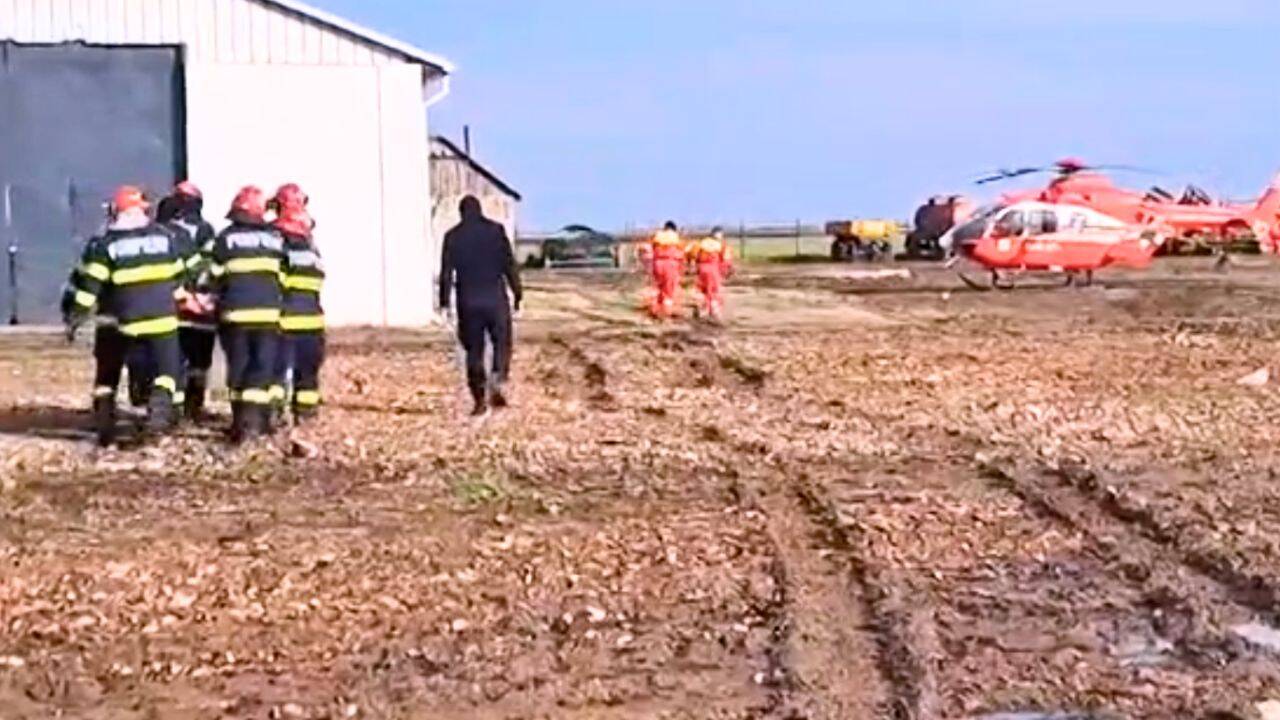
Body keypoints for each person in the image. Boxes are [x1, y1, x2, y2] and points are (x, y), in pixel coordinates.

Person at [63, 186, 185, 444]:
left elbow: (89, 288)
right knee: (167, 371)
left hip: (125, 321)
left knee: (109, 372)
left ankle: (106, 421)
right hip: (163, 320)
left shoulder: (105, 244)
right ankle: (157, 417)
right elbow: (178, 277)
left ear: (115, 212)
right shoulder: (165, 238)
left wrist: (75, 318)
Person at [207, 186, 285, 441]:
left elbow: (214, 277)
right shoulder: (274, 238)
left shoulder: (225, 238)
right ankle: (259, 421)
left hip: (235, 315)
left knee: (239, 366)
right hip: (268, 315)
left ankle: (241, 422)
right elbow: (283, 277)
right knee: (262, 366)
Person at [439, 195, 523, 416]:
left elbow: (446, 272)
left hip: (468, 302)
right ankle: (498, 375)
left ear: (461, 213)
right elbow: (509, 264)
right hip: (496, 299)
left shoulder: (453, 237)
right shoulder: (496, 231)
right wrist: (518, 293)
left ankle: (479, 399)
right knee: (502, 342)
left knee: (473, 350)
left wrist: (444, 303)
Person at [157, 181, 218, 420]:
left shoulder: (160, 231)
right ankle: (193, 408)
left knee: (175, 361)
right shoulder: (204, 230)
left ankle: (175, 410)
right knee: (197, 361)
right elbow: (208, 267)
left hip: (175, 303)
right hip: (199, 305)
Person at [272, 186, 326, 422]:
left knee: (275, 371)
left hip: (284, 318)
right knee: (308, 374)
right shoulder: (310, 246)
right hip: (313, 320)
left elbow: (274, 280)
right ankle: (306, 414)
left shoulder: (276, 240)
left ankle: (274, 414)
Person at [687, 226, 733, 320]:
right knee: (714, 291)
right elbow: (726, 260)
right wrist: (726, 271)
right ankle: (714, 312)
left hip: (702, 269)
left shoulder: (701, 243)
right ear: (720, 235)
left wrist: (692, 266)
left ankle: (702, 309)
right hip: (713, 269)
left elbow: (691, 255)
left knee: (702, 289)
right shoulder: (722, 245)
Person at [649, 221, 685, 318]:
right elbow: (681, 254)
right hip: (670, 263)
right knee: (669, 289)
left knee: (657, 286)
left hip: (657, 263)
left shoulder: (657, 236)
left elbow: (653, 249)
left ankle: (654, 309)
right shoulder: (675, 237)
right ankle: (666, 312)